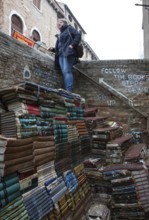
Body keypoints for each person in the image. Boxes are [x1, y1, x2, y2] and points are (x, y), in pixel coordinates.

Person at [49, 18, 81, 92]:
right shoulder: (60, 34)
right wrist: (53, 49)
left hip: (68, 53)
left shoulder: (69, 28)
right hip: (60, 55)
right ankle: (67, 89)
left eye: (60, 22)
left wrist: (72, 45)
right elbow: (60, 47)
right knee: (64, 72)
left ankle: (68, 91)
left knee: (67, 71)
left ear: (65, 23)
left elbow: (78, 35)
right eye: (58, 23)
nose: (58, 24)